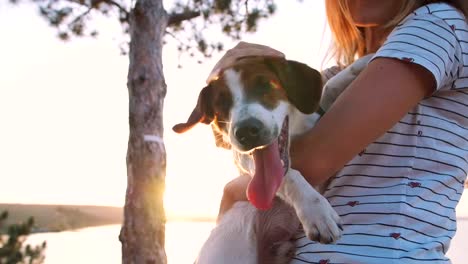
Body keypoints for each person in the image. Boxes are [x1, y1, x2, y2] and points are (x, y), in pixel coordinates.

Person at [214, 0, 468, 263]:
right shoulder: (339, 75)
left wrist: (236, 190)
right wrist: (228, 80)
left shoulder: (435, 25)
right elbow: (254, 151)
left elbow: (309, 163)